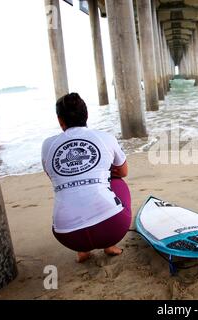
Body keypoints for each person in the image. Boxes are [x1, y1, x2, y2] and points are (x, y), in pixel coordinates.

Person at [41, 93, 132, 263]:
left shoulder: (47, 145)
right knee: (116, 180)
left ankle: (82, 251)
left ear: (60, 121)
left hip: (68, 236)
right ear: (87, 115)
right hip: (113, 227)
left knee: (66, 187)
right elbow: (124, 171)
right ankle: (109, 244)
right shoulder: (105, 138)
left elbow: (52, 176)